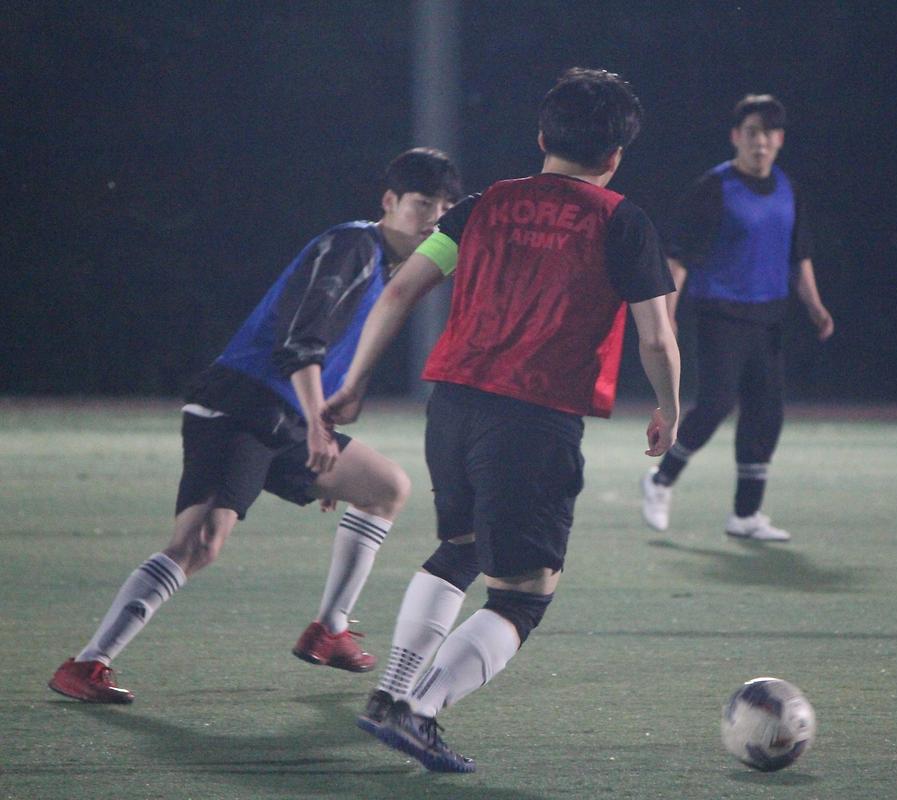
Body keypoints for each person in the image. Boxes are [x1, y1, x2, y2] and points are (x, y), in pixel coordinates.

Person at [325, 67, 680, 773]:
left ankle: (392, 693)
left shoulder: (481, 206)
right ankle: (420, 711)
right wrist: (669, 408)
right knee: (523, 596)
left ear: (542, 137)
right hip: (535, 420)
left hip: (453, 407)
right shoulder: (623, 221)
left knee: (458, 549)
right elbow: (657, 337)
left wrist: (354, 381)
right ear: (615, 155)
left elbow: (399, 291)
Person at [48, 148, 461, 704]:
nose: (434, 217)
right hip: (239, 407)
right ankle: (86, 664)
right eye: (422, 204)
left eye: (445, 207)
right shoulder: (352, 247)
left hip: (286, 416)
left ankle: (330, 629)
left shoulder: (392, 268)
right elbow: (297, 342)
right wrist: (317, 425)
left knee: (383, 487)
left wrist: (317, 423)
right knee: (199, 543)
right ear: (389, 201)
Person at [639, 94, 833, 542]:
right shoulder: (714, 188)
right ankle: (660, 480)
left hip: (770, 318)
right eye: (751, 133)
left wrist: (815, 306)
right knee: (717, 403)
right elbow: (678, 258)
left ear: (780, 139)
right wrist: (667, 313)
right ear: (736, 137)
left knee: (766, 412)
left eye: (768, 133)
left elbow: (798, 256)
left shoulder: (787, 188)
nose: (760, 142)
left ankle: (746, 515)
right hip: (720, 314)